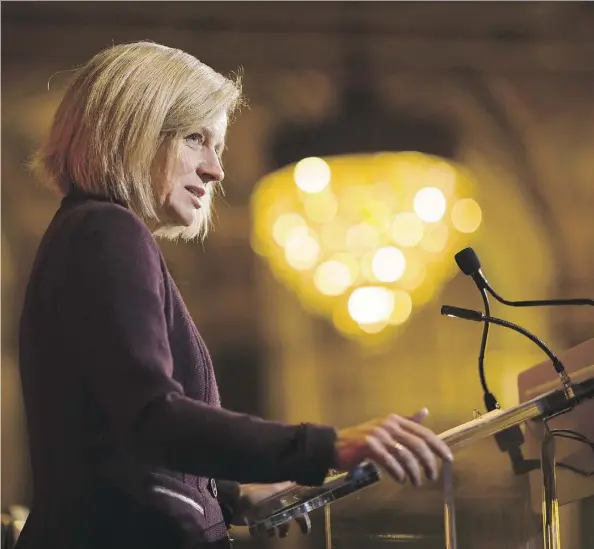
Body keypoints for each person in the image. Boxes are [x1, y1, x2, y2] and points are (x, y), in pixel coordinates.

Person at [17, 41, 453, 549]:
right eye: (195, 138)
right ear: (133, 127)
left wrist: (228, 495)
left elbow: (112, 434)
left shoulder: (90, 230)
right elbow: (151, 416)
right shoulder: (106, 230)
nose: (215, 170)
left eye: (217, 148)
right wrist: (327, 446)